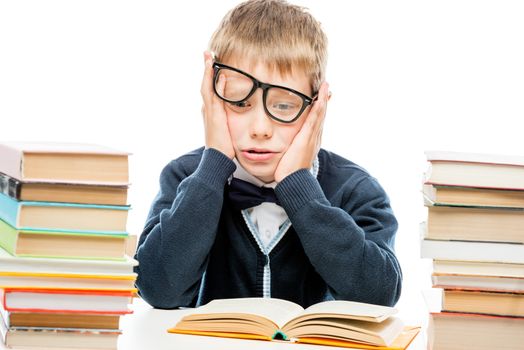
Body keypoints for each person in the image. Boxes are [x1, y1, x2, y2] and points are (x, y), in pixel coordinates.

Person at [135, 0, 402, 309]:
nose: (260, 128)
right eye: (238, 102)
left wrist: (300, 190)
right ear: (212, 99)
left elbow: (378, 296)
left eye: (284, 105)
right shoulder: (186, 177)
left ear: (318, 106)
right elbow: (157, 288)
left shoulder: (356, 189)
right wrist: (212, 170)